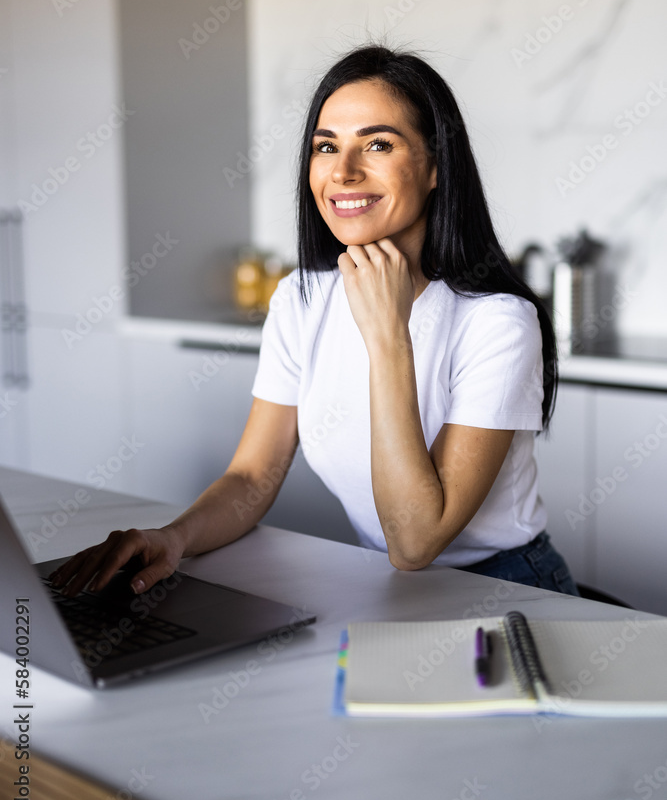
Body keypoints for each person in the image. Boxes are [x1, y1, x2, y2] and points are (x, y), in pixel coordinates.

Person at [52, 45, 579, 599]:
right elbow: (253, 478)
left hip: (508, 589)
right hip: (385, 585)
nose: (344, 172)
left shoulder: (498, 322)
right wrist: (174, 538)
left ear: (434, 168)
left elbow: (415, 544)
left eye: (378, 143)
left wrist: (388, 337)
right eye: (326, 147)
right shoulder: (301, 300)